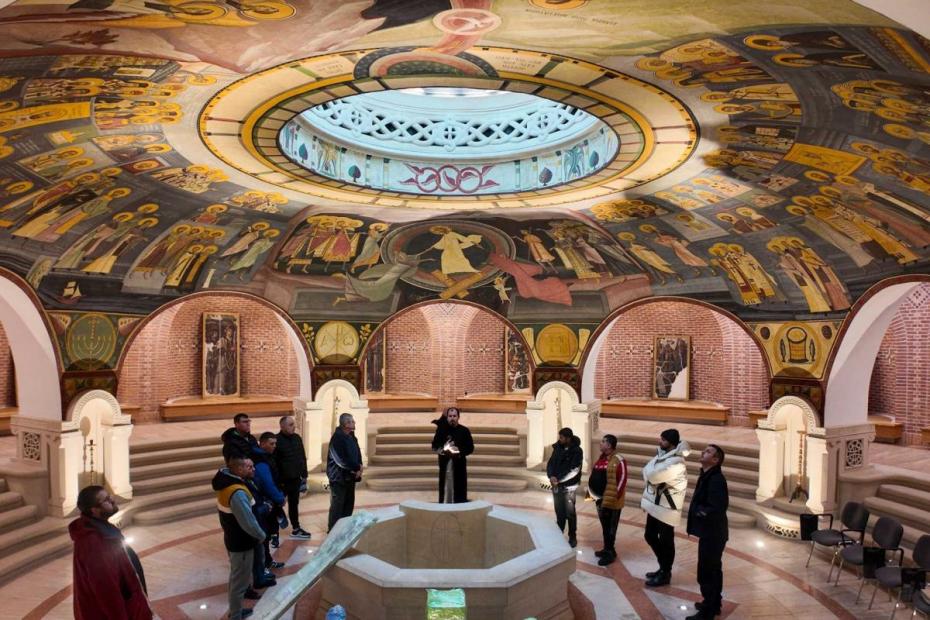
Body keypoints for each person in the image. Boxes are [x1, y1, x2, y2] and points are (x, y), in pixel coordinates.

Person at [70, 485, 152, 620]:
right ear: (94, 510)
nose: (112, 500)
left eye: (109, 496)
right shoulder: (94, 543)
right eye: (106, 500)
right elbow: (106, 591)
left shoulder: (101, 529)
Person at [212, 456, 267, 620]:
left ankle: (236, 611)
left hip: (233, 539)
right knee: (239, 582)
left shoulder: (226, 484)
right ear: (239, 469)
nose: (254, 469)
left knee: (236, 577)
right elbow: (247, 522)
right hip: (241, 543)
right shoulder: (237, 492)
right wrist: (261, 535)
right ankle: (236, 615)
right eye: (249, 467)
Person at [641, 428, 690, 587]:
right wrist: (650, 473)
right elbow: (645, 471)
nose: (659, 441)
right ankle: (663, 567)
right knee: (650, 535)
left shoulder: (677, 463)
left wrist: (651, 473)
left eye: (663, 439)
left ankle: (665, 572)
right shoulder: (662, 455)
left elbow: (652, 476)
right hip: (656, 505)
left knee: (666, 541)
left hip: (668, 508)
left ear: (671, 443)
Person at [686, 444, 729, 620]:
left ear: (715, 460)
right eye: (705, 450)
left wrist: (698, 512)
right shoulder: (707, 475)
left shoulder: (716, 479)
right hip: (711, 533)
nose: (703, 452)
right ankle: (714, 604)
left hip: (713, 533)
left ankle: (708, 611)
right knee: (712, 570)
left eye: (708, 451)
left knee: (706, 572)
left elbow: (717, 508)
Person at [587, 434, 628, 566]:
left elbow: (622, 479)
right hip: (599, 499)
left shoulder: (619, 459)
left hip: (611, 501)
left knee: (611, 528)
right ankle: (607, 549)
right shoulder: (601, 458)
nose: (600, 443)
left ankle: (610, 553)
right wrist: (592, 494)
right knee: (605, 526)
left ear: (609, 445)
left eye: (603, 441)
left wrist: (614, 497)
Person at [252, 432, 286, 572]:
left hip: (267, 501)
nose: (274, 446)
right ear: (262, 443)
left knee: (267, 534)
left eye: (275, 443)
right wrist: (280, 498)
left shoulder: (265, 457)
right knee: (264, 535)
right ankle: (263, 566)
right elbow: (267, 483)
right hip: (264, 503)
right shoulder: (261, 461)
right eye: (271, 443)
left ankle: (267, 561)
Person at [275, 414, 311, 539]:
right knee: (276, 505)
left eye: (294, 424)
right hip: (282, 481)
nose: (294, 427)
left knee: (294, 504)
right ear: (282, 426)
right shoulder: (276, 441)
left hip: (295, 479)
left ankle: (296, 528)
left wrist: (304, 475)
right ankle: (273, 532)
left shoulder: (297, 438)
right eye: (290, 425)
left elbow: (302, 456)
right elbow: (274, 462)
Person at [546, 427, 583, 547]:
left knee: (570, 513)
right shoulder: (557, 448)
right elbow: (551, 463)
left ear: (568, 438)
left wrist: (559, 479)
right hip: (556, 485)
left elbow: (574, 469)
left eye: (561, 437)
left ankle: (572, 536)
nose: (559, 439)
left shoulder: (577, 451)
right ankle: (559, 532)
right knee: (559, 511)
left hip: (569, 487)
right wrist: (551, 476)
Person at [430, 406, 475, 503]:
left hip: (459, 465)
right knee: (445, 489)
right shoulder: (441, 430)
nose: (452, 418)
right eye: (450, 416)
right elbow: (434, 446)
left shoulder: (464, 431)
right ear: (447, 417)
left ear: (458, 417)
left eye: (454, 416)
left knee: (460, 490)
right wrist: (443, 448)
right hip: (445, 465)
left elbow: (470, 448)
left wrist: (459, 450)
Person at [327, 413, 362, 531]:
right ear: (345, 424)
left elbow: (357, 452)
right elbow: (341, 460)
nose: (354, 423)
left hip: (350, 476)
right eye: (351, 421)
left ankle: (344, 530)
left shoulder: (352, 436)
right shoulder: (337, 439)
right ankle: (332, 532)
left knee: (348, 505)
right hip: (338, 478)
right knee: (337, 507)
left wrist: (359, 466)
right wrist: (356, 467)